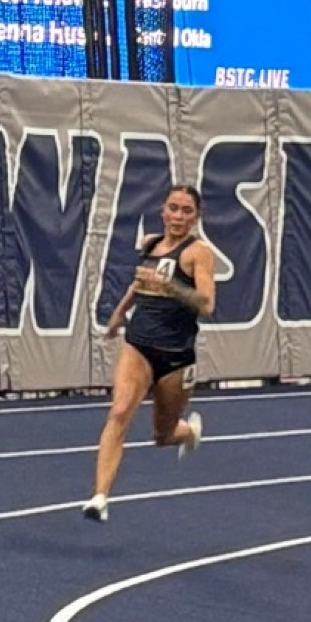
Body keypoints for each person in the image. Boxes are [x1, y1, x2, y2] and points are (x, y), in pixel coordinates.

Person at [82, 185, 215, 523]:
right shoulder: (151, 243)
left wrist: (170, 286)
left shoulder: (197, 253)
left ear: (196, 217)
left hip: (175, 356)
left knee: (163, 435)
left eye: (187, 211)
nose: (179, 217)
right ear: (163, 210)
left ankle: (189, 432)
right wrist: (119, 313)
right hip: (138, 344)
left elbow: (207, 304)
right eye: (174, 208)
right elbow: (140, 283)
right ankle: (99, 497)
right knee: (120, 411)